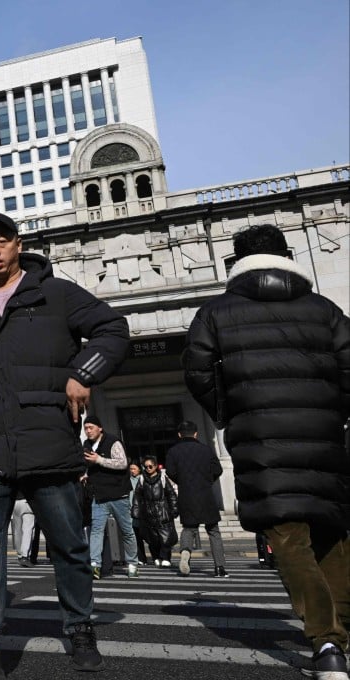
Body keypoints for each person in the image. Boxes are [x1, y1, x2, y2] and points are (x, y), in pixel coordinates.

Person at [0, 213, 129, 679]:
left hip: (46, 438)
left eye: (1, 241)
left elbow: (113, 329)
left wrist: (84, 373)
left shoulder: (56, 294)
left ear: (18, 245)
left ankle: (80, 628)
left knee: (67, 543)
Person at [183, 224, 350, 680]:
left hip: (260, 437)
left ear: (234, 263)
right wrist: (335, 411)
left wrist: (227, 410)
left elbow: (196, 369)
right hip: (325, 434)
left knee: (290, 538)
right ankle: (341, 632)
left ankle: (328, 642)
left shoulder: (216, 311)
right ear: (287, 256)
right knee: (333, 531)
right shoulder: (325, 309)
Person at [164, 421, 227, 577]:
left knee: (189, 529)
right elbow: (217, 469)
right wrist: (207, 479)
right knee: (213, 531)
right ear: (196, 433)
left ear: (179, 434)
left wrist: (183, 481)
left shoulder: (173, 451)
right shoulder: (206, 450)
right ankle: (219, 567)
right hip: (206, 493)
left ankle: (185, 551)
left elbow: (170, 472)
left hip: (187, 494)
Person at [83, 416, 141, 579]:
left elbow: (122, 463)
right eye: (86, 428)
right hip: (99, 495)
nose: (88, 430)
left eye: (91, 427)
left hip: (118, 494)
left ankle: (132, 564)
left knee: (126, 530)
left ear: (100, 428)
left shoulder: (113, 442)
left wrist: (99, 459)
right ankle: (95, 564)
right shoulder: (86, 445)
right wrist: (86, 474)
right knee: (96, 530)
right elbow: (90, 465)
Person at [131, 456, 178, 568]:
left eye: (150, 466)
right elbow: (137, 496)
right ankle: (156, 557)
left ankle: (166, 558)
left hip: (163, 512)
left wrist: (174, 509)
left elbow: (171, 495)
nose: (148, 468)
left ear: (156, 466)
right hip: (148, 513)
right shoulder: (142, 480)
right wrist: (136, 511)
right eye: (145, 467)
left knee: (165, 537)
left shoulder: (162, 478)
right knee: (152, 538)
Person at [128, 461, 151, 565]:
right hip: (133, 513)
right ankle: (141, 558)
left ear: (139, 469)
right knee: (136, 537)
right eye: (131, 469)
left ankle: (156, 556)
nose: (132, 471)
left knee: (150, 536)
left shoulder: (144, 480)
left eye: (134, 468)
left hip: (145, 512)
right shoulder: (128, 481)